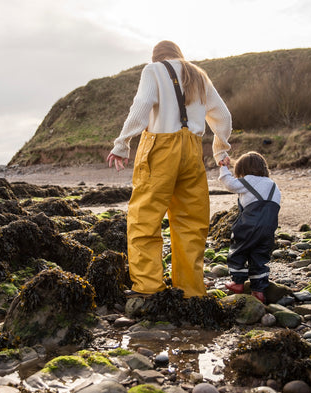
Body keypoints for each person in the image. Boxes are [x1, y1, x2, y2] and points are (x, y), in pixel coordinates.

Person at [106, 40, 232, 298]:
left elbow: (140, 107)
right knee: (191, 222)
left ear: (156, 57)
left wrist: (122, 143)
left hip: (160, 147)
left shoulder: (152, 70)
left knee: (145, 219)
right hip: (193, 150)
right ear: (179, 55)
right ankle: (190, 291)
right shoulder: (198, 74)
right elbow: (224, 116)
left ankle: (149, 287)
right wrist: (220, 149)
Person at [218, 151, 281, 303]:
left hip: (249, 225)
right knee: (259, 257)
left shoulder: (249, 180)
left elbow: (229, 184)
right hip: (269, 228)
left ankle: (238, 282)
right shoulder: (273, 185)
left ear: (242, 170)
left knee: (238, 251)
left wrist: (224, 168)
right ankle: (258, 291)